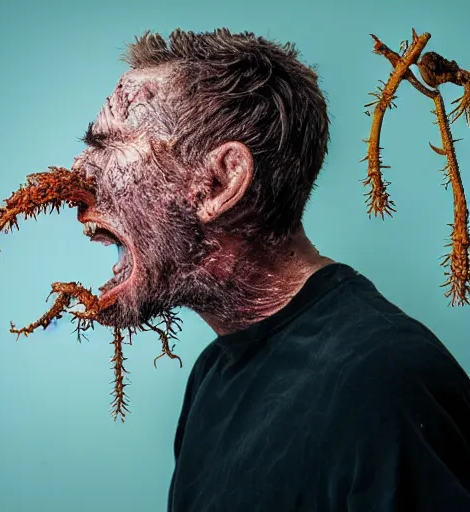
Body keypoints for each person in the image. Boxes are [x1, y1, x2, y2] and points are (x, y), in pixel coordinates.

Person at [71, 28, 470, 511]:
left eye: (107, 146)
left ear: (219, 182)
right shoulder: (212, 375)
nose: (77, 179)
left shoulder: (385, 384)